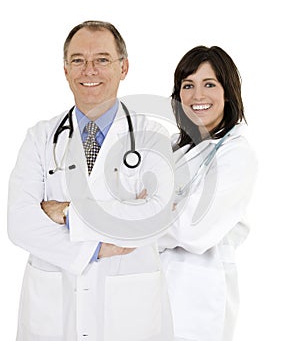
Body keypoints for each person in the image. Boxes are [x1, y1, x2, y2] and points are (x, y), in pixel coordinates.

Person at [7, 20, 174, 341]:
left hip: (129, 305)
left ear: (123, 67)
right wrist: (98, 246)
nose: (89, 70)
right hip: (54, 305)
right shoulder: (40, 137)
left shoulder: (152, 137)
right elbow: (19, 222)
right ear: (66, 69)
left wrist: (68, 213)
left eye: (102, 59)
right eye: (78, 60)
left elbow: (156, 217)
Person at [158, 46, 257, 341]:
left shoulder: (236, 153)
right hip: (154, 290)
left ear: (228, 92)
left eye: (209, 84)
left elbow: (192, 229)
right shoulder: (174, 149)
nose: (197, 96)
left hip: (196, 297)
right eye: (188, 85)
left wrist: (143, 217)